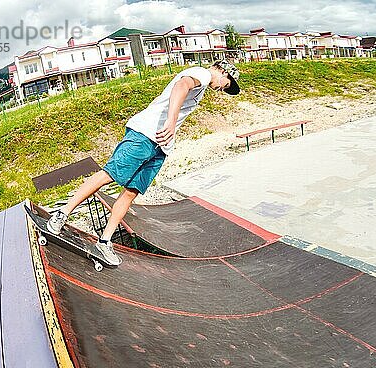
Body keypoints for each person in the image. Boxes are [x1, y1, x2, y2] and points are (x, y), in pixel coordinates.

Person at [46, 60, 241, 265]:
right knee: (109, 175)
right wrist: (171, 121)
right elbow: (181, 86)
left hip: (160, 146)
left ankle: (104, 242)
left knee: (131, 192)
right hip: (145, 135)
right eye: (225, 84)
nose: (221, 89)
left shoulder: (202, 85)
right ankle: (60, 214)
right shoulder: (202, 73)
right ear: (222, 71)